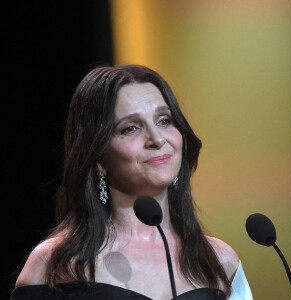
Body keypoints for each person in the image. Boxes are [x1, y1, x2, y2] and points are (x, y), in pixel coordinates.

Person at [11, 65, 253, 300]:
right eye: (130, 128)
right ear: (97, 157)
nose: (157, 139)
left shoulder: (219, 261)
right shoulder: (55, 264)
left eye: (164, 120)